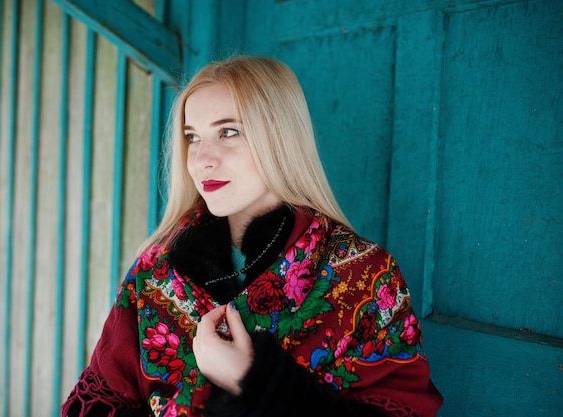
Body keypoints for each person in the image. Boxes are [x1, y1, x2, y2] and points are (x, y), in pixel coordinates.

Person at [62, 56, 443, 417]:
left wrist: (254, 383)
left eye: (228, 131)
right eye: (192, 137)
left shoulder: (364, 275)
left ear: (279, 138)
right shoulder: (157, 269)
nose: (201, 159)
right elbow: (98, 401)